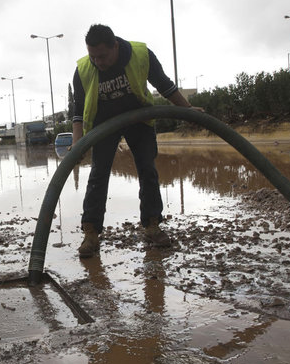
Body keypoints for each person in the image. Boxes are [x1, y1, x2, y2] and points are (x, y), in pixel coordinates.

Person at [71, 24, 199, 258]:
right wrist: (77, 143)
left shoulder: (141, 55)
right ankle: (91, 233)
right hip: (102, 125)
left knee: (147, 169)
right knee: (98, 175)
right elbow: (78, 110)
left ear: (115, 46)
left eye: (103, 56)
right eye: (93, 56)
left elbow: (165, 85)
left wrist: (189, 111)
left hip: (139, 119)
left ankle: (152, 226)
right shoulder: (83, 69)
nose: (98, 62)